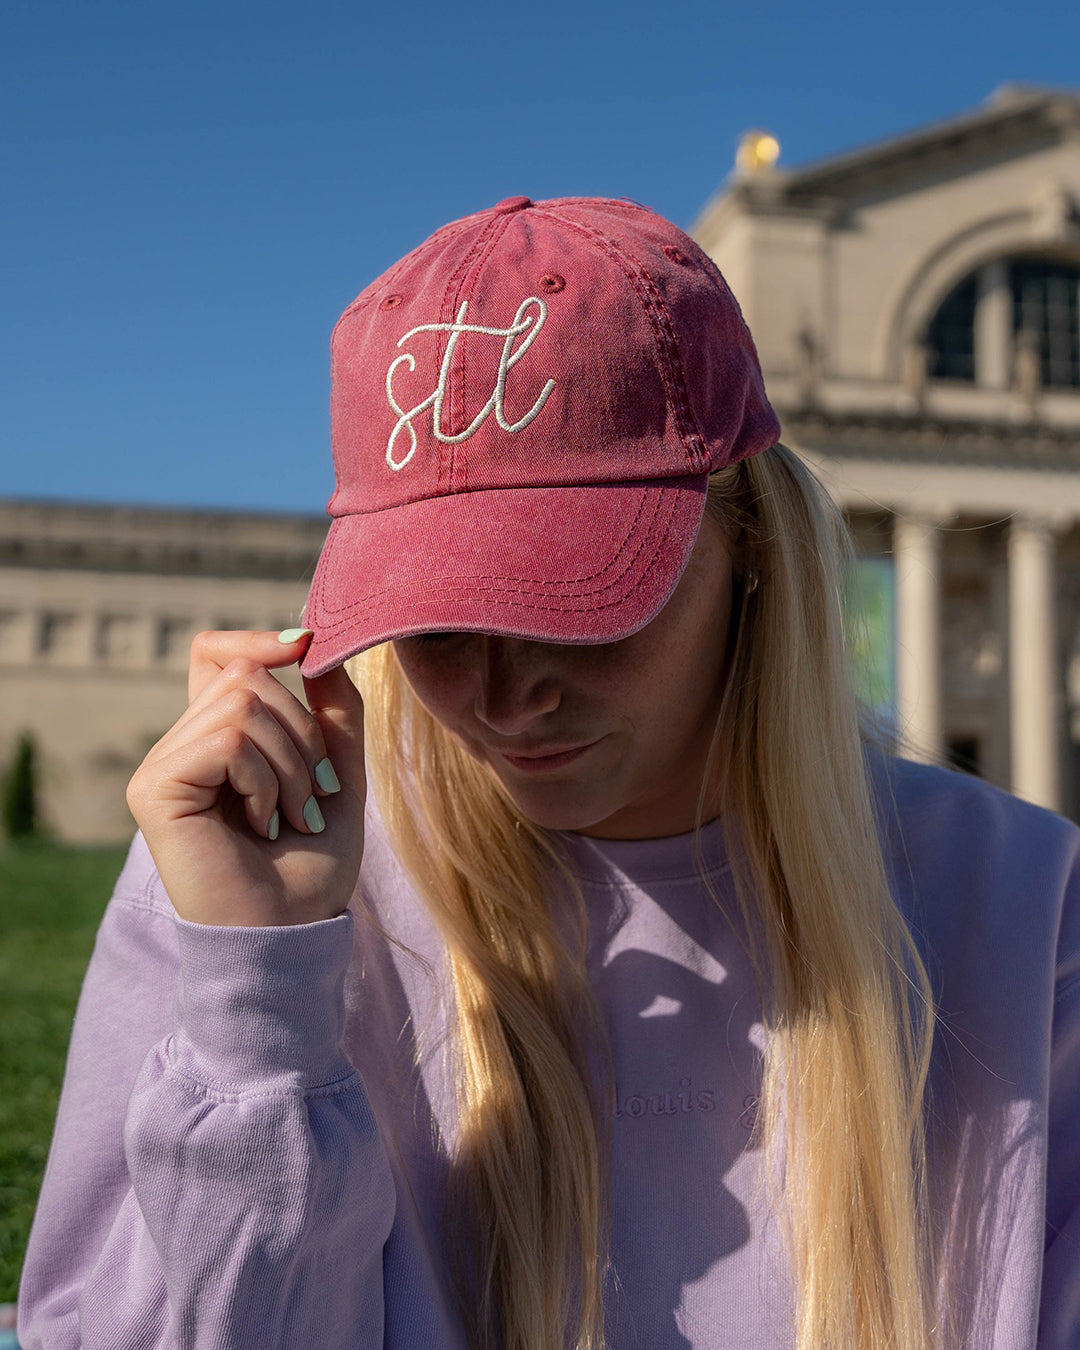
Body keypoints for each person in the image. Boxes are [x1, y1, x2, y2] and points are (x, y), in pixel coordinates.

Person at [17, 196, 1080, 1350]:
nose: (504, 696)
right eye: (433, 624)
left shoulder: (1030, 907)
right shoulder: (239, 878)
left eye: (579, 610)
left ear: (754, 550)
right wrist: (259, 1013)